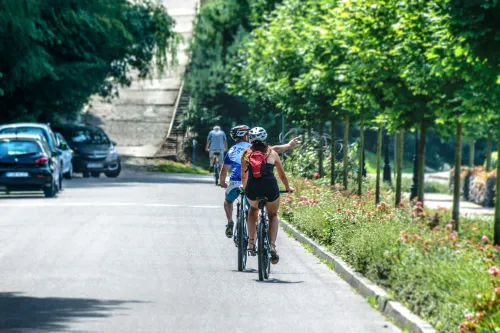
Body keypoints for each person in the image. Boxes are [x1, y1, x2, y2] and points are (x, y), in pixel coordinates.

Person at [220, 125, 298, 238]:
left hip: (235, 183)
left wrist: (223, 183)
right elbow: (274, 149)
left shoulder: (232, 150)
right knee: (254, 209)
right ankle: (257, 233)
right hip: (252, 183)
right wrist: (289, 145)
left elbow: (224, 170)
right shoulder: (254, 148)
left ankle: (230, 221)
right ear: (246, 136)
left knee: (228, 201)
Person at [240, 127, 294, 265]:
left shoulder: (246, 153)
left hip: (253, 188)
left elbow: (244, 176)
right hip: (270, 188)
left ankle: (251, 244)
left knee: (253, 210)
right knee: (273, 216)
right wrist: (287, 188)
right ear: (265, 138)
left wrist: (245, 188)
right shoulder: (272, 152)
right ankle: (272, 246)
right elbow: (282, 174)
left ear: (250, 139)